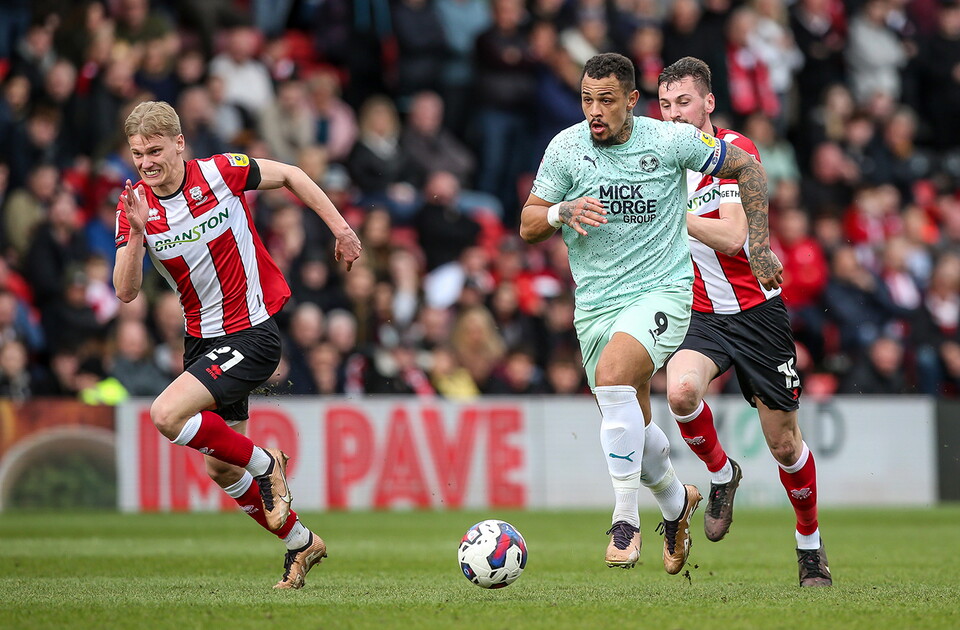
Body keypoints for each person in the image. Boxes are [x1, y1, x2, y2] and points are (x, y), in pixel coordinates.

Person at [520, 52, 780, 576]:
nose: (595, 110)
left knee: (616, 378)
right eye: (587, 99)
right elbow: (528, 223)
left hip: (660, 293)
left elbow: (744, 165)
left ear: (632, 102)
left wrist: (759, 244)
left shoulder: (668, 141)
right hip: (595, 305)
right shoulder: (566, 148)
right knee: (630, 429)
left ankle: (625, 520)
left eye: (607, 100)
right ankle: (676, 504)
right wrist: (560, 211)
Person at [113, 100, 362, 589]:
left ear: (180, 143)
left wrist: (342, 229)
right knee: (220, 469)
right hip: (201, 341)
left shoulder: (222, 172)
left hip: (252, 332)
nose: (146, 162)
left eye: (155, 150)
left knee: (166, 415)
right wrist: (138, 234)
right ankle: (301, 543)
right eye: (138, 153)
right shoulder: (135, 208)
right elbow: (125, 291)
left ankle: (267, 464)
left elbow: (291, 174)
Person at [657, 57, 831, 587]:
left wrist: (666, 213)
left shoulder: (734, 153)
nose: (673, 115)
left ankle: (809, 547)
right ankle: (721, 473)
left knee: (783, 444)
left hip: (758, 313)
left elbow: (733, 237)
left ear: (708, 103)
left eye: (683, 102)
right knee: (681, 393)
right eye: (664, 105)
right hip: (702, 314)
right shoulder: (659, 164)